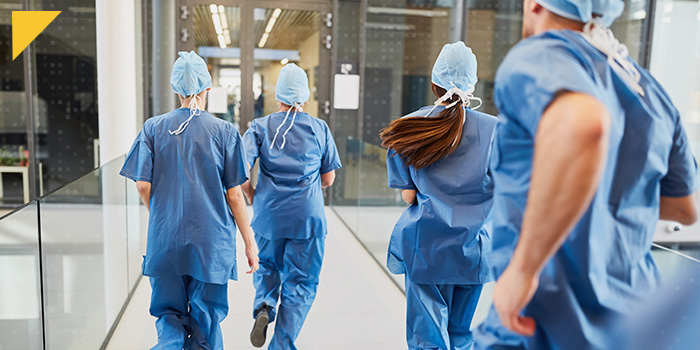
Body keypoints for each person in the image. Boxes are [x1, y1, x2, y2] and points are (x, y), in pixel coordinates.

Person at [472, 0, 699, 349]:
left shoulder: (537, 57)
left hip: (544, 323)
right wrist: (606, 195)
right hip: (633, 324)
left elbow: (584, 126)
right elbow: (685, 208)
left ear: (534, 4)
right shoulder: (648, 88)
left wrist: (523, 270)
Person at [119, 51, 260, 350]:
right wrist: (249, 242)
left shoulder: (153, 128)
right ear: (207, 88)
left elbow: (143, 186)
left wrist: (161, 215)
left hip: (164, 240)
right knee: (205, 323)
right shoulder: (224, 132)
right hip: (210, 244)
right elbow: (235, 195)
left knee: (168, 318)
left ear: (175, 89)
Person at [380, 41, 497, 350]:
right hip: (474, 251)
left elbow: (408, 197)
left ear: (434, 84)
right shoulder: (495, 130)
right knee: (460, 336)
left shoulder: (409, 128)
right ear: (472, 85)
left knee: (427, 340)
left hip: (426, 249)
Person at [241, 63, 342, 350]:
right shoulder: (319, 128)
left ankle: (264, 306)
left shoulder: (260, 127)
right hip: (307, 218)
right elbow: (328, 179)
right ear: (306, 96)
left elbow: (238, 172)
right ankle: (282, 344)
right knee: (302, 282)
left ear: (278, 97)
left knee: (268, 267)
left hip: (268, 214)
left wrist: (252, 194)